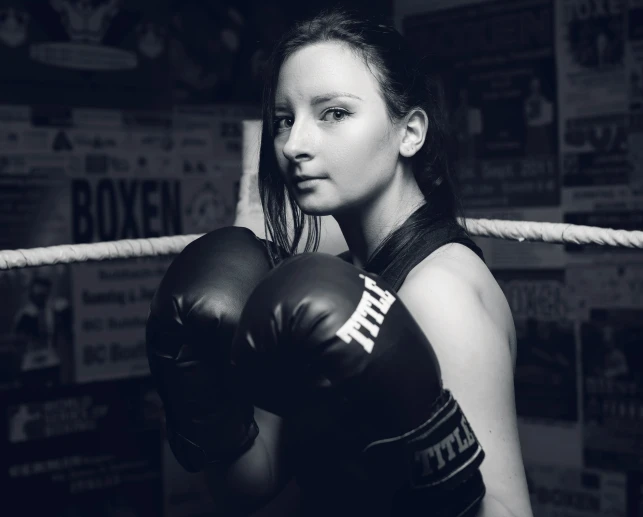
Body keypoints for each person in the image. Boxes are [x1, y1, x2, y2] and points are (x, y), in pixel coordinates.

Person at [148, 7, 531, 517]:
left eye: (334, 113)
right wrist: (205, 396)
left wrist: (433, 450)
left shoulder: (437, 290)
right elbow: (251, 485)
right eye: (285, 119)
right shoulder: (334, 282)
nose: (294, 145)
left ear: (409, 132)